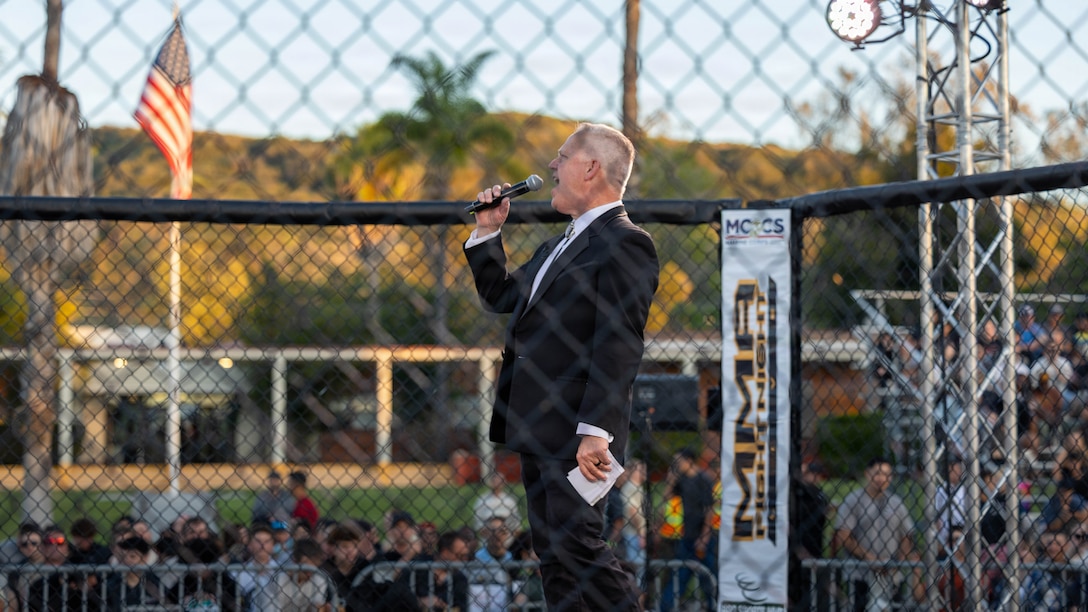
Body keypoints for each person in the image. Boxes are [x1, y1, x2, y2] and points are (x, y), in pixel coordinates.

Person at [463, 122, 658, 611]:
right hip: (537, 425)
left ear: (590, 168)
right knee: (553, 552)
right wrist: (488, 232)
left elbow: (619, 344)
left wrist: (597, 432)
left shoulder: (625, 242)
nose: (551, 165)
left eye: (562, 156)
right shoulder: (560, 244)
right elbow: (502, 296)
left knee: (578, 544)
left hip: (580, 433)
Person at [832, 457, 917, 612]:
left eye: (886, 474)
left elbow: (907, 535)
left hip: (891, 575)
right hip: (860, 574)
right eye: (877, 473)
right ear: (867, 474)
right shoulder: (854, 501)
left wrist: (897, 562)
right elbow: (843, 535)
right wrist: (871, 559)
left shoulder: (895, 502)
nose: (881, 479)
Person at [659, 448, 717, 612]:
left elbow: (709, 510)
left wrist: (704, 537)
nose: (675, 465)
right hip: (687, 535)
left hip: (703, 536)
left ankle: (715, 606)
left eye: (678, 461)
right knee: (679, 575)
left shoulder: (703, 479)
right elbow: (666, 498)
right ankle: (666, 607)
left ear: (689, 460)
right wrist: (671, 479)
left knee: (708, 576)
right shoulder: (682, 479)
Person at [790, 460, 831, 612]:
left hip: (812, 546)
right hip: (801, 546)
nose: (815, 478)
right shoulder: (801, 494)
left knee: (810, 590)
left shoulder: (816, 495)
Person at [104, 535, 163, 611]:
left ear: (145, 557)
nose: (126, 560)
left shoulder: (155, 583)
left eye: (132, 556)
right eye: (123, 556)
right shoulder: (111, 585)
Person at [468, 516, 514, 611]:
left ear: (507, 534)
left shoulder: (512, 558)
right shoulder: (476, 559)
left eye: (502, 531)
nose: (497, 535)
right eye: (493, 531)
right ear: (485, 533)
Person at [274, 537, 332, 612]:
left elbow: (316, 606)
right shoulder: (279, 580)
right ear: (295, 562)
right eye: (306, 569)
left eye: (314, 568)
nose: (310, 573)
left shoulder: (319, 579)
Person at [232, 523, 280, 612]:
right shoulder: (238, 573)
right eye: (258, 541)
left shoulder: (282, 571)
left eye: (267, 541)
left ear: (273, 546)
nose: (262, 545)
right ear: (250, 545)